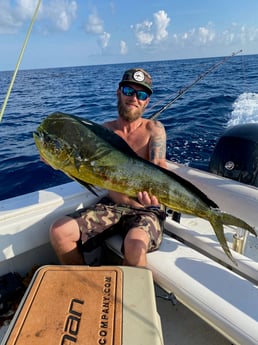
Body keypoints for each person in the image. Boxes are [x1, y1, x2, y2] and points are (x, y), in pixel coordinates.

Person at [49, 68, 167, 267]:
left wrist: (154, 197)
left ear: (146, 101)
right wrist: (56, 162)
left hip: (145, 209)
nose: (134, 98)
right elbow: (85, 169)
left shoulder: (154, 129)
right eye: (129, 91)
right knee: (59, 231)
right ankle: (81, 287)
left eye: (142, 94)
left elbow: (159, 166)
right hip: (112, 206)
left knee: (134, 245)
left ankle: (134, 299)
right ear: (118, 92)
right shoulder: (104, 132)